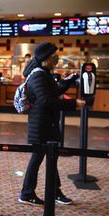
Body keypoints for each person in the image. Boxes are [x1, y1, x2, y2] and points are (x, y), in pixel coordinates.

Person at [18, 42, 86, 206]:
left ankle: (53, 191)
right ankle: (28, 193)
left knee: (51, 157)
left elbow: (53, 92)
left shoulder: (44, 73)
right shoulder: (38, 75)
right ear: (45, 58)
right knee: (39, 158)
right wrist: (73, 104)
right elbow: (46, 100)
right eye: (53, 56)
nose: (56, 58)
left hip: (47, 123)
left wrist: (68, 81)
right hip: (41, 125)